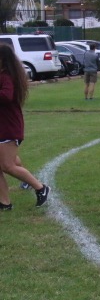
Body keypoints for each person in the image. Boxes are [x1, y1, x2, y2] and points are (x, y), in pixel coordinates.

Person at [0, 44, 50, 210]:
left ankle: (40, 188)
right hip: (4, 125)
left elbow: (6, 96)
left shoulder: (7, 76)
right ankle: (4, 202)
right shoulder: (5, 74)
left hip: (8, 127)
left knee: (7, 165)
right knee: (6, 163)